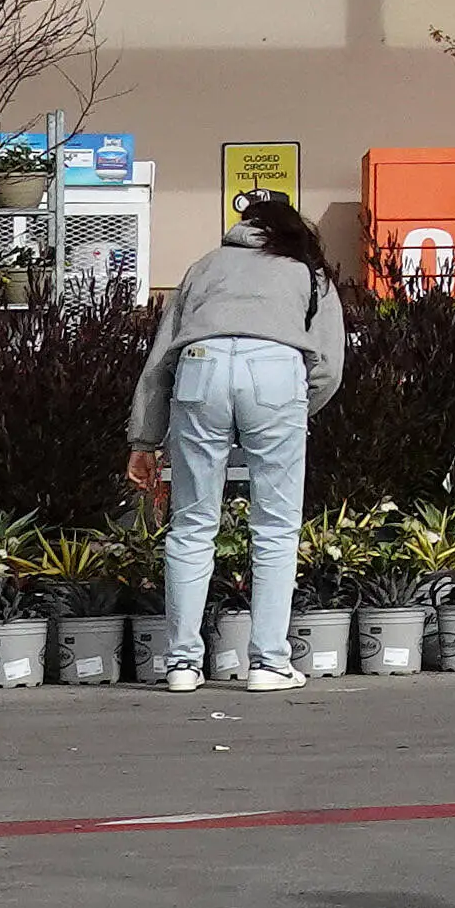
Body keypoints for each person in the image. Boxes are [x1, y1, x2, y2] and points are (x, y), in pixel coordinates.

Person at [127, 189, 349, 687]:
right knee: (275, 527)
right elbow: (329, 366)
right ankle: (268, 663)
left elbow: (161, 359)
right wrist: (294, 408)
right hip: (277, 368)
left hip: (200, 367)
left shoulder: (204, 267)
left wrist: (144, 440)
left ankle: (182, 664)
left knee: (191, 524)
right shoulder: (309, 271)